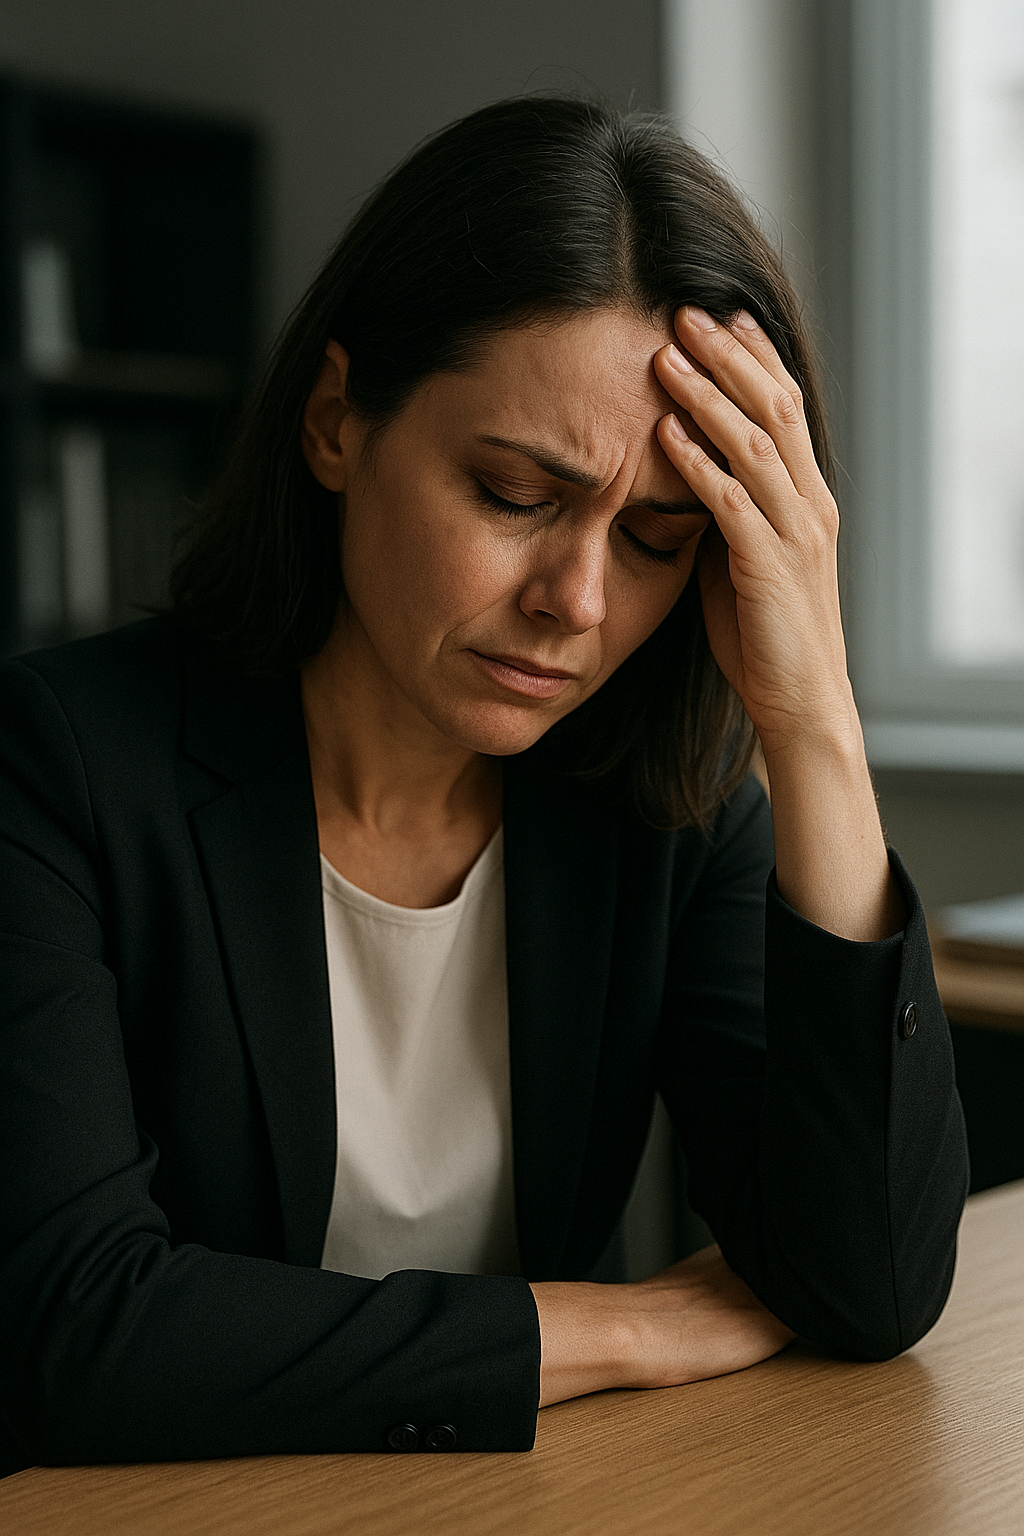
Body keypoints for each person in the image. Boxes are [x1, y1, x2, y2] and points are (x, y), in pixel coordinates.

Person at [0, 96, 967, 1474]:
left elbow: (866, 1285)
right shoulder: (56, 765)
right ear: (337, 422)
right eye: (516, 494)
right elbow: (68, 1336)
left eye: (655, 537)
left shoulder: (663, 811)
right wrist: (617, 1330)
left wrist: (812, 719)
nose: (578, 600)